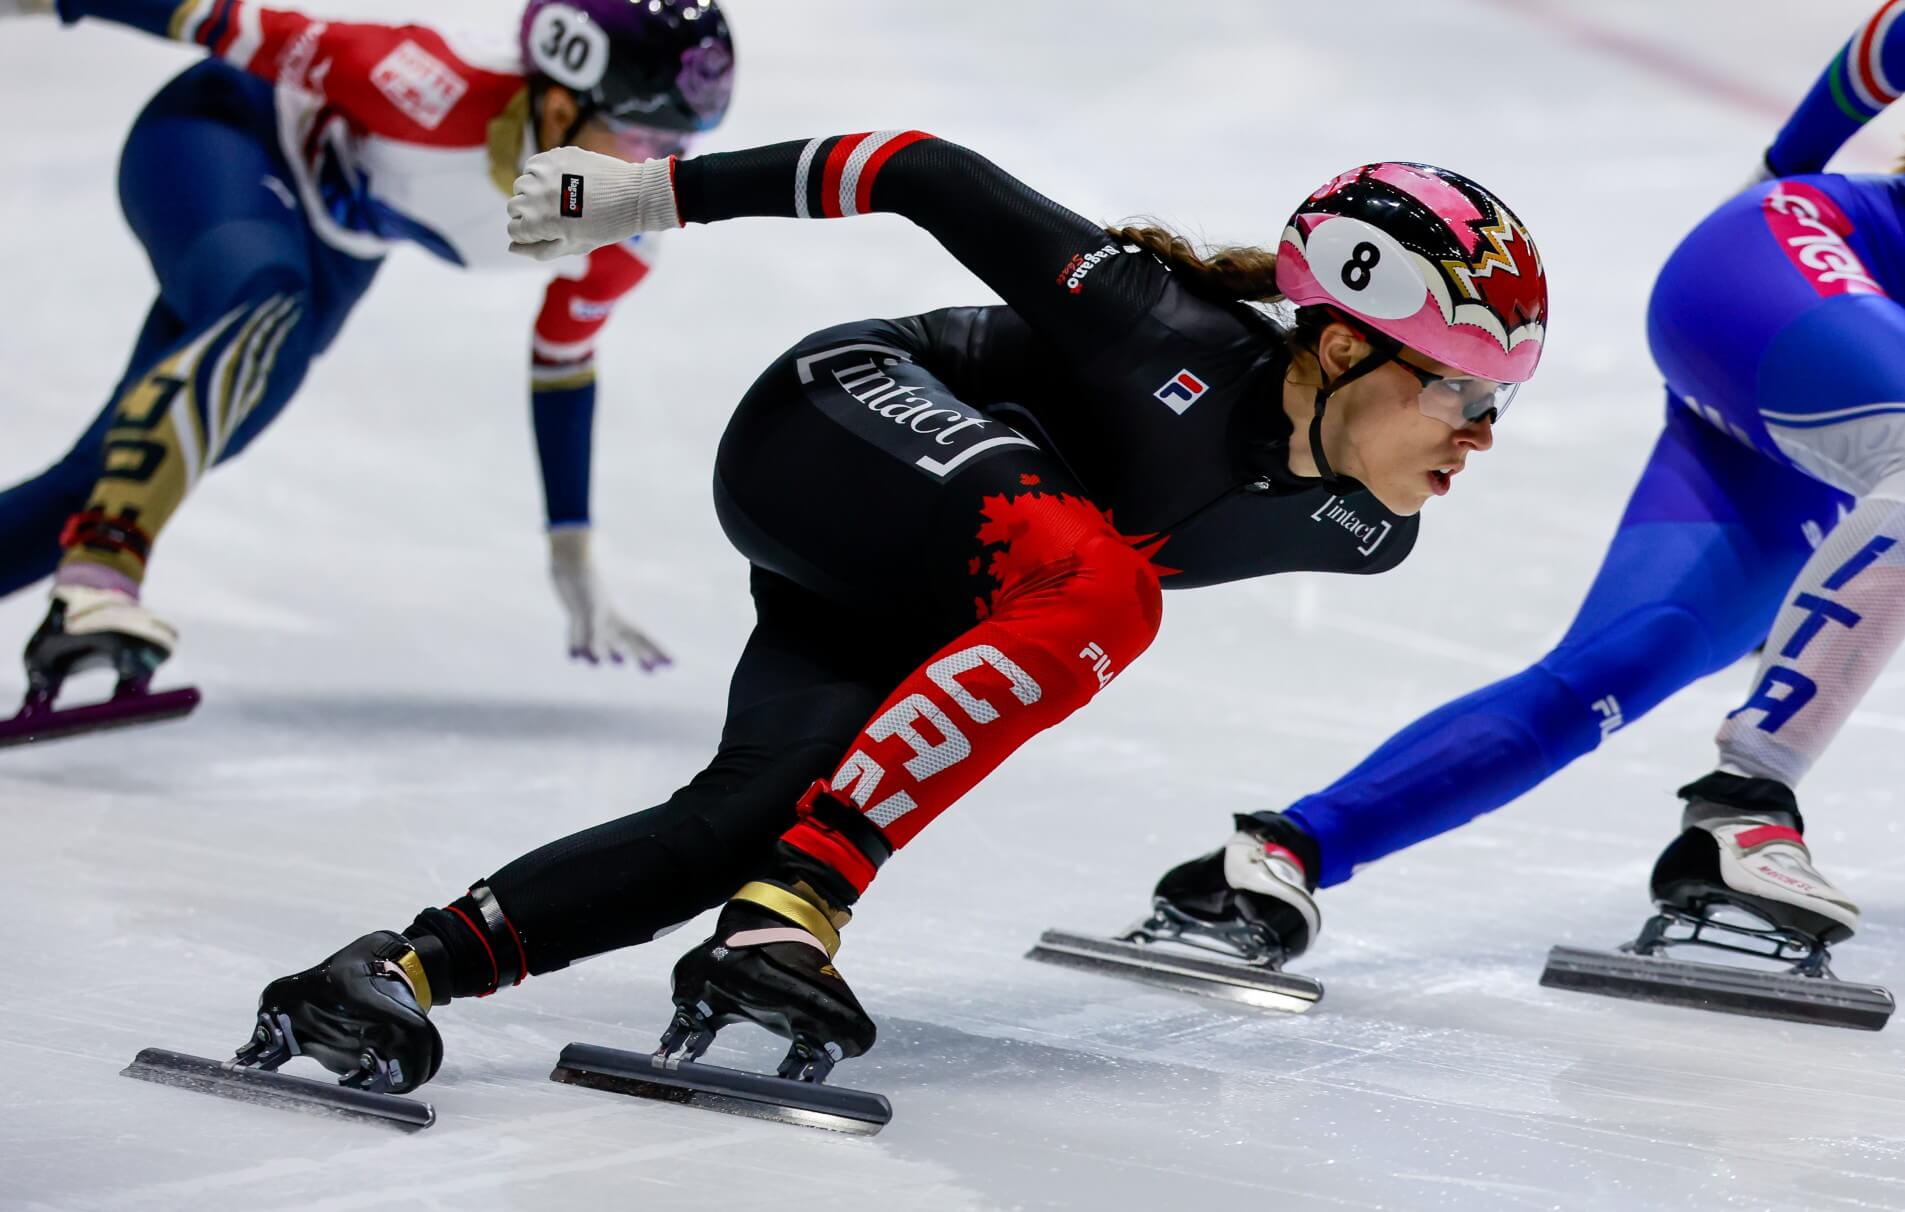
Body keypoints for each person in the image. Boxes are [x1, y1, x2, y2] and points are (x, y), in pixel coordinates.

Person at [221, 135, 1546, 1093]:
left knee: (735, 823)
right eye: (1464, 394)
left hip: (913, 571)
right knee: (1107, 589)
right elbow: (918, 169)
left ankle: (399, 970)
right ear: (1339, 347)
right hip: (837, 418)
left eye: (1500, 405)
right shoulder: (1166, 331)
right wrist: (634, 197)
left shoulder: (1365, 532)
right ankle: (801, 906)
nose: (1481, 438)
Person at [1142, 1, 1905, 981]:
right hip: (1781, 264)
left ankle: (1276, 857)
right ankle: (1749, 803)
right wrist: (1783, 167)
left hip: (1822, 387)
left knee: (1616, 668)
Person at [0, 0, 736, 709]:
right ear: (558, 104)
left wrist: (570, 551)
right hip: (221, 138)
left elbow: (562, 364)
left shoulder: (623, 238)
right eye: (643, 139)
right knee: (264, 314)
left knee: (140, 460)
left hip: (330, 250)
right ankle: (103, 573)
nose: (657, 167)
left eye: (677, 146)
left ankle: (91, 548)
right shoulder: (426, 82)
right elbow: (217, 17)